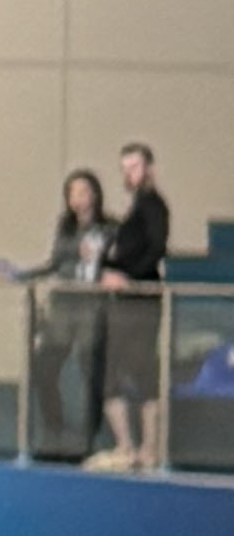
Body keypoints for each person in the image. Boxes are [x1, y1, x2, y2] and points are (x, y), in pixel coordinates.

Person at [0, 167, 116, 461]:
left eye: (84, 191)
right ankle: (54, 430)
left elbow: (116, 263)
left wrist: (100, 262)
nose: (78, 198)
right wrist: (23, 275)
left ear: (95, 194)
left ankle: (88, 440)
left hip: (92, 305)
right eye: (73, 193)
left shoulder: (109, 227)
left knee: (91, 371)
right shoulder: (66, 227)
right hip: (63, 304)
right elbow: (55, 262)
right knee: (45, 366)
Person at [101, 139, 173, 472]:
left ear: (149, 168)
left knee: (142, 371)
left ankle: (148, 447)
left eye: (135, 167)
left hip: (141, 299)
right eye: (125, 168)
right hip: (127, 299)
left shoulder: (154, 206)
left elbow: (156, 249)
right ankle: (127, 446)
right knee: (116, 372)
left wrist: (128, 277)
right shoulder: (137, 208)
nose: (130, 174)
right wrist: (107, 268)